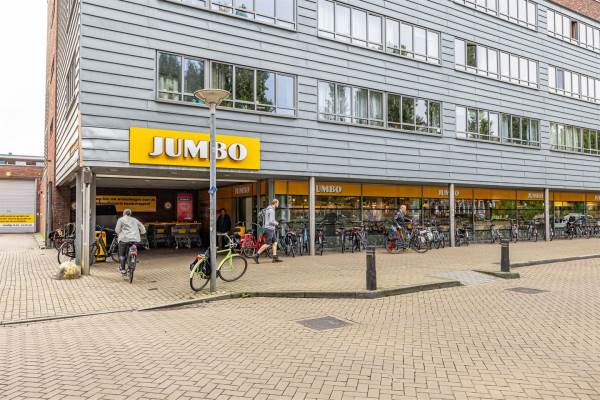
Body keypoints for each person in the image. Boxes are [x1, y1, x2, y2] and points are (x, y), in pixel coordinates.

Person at [115, 209, 146, 275]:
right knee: (133, 250)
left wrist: (119, 232)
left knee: (122, 255)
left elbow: (117, 230)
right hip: (134, 239)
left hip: (124, 239)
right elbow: (142, 227)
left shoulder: (121, 220)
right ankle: (132, 261)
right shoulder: (135, 220)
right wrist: (142, 232)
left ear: (123, 213)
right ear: (130, 214)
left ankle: (123, 269)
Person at [253, 199, 283, 264]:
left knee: (275, 242)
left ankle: (274, 258)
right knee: (267, 244)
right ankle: (256, 255)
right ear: (275, 203)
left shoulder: (268, 209)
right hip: (269, 229)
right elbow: (271, 221)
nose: (278, 204)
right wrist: (277, 223)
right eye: (278, 203)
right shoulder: (271, 210)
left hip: (271, 229)